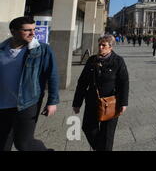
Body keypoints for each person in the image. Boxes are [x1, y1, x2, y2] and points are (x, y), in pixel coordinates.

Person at [0, 17, 59, 151]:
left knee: (24, 144)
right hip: (3, 104)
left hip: (28, 102)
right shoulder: (2, 49)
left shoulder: (42, 50)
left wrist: (52, 101)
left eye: (34, 29)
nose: (33, 33)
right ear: (13, 31)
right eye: (27, 30)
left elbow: (53, 75)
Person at [72, 35, 129, 151]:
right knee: (88, 127)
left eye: (104, 45)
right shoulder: (92, 60)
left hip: (111, 103)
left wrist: (123, 103)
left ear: (111, 47)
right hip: (92, 101)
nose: (100, 47)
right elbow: (82, 82)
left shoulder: (118, 61)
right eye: (99, 45)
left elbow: (124, 83)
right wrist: (77, 103)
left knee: (107, 135)